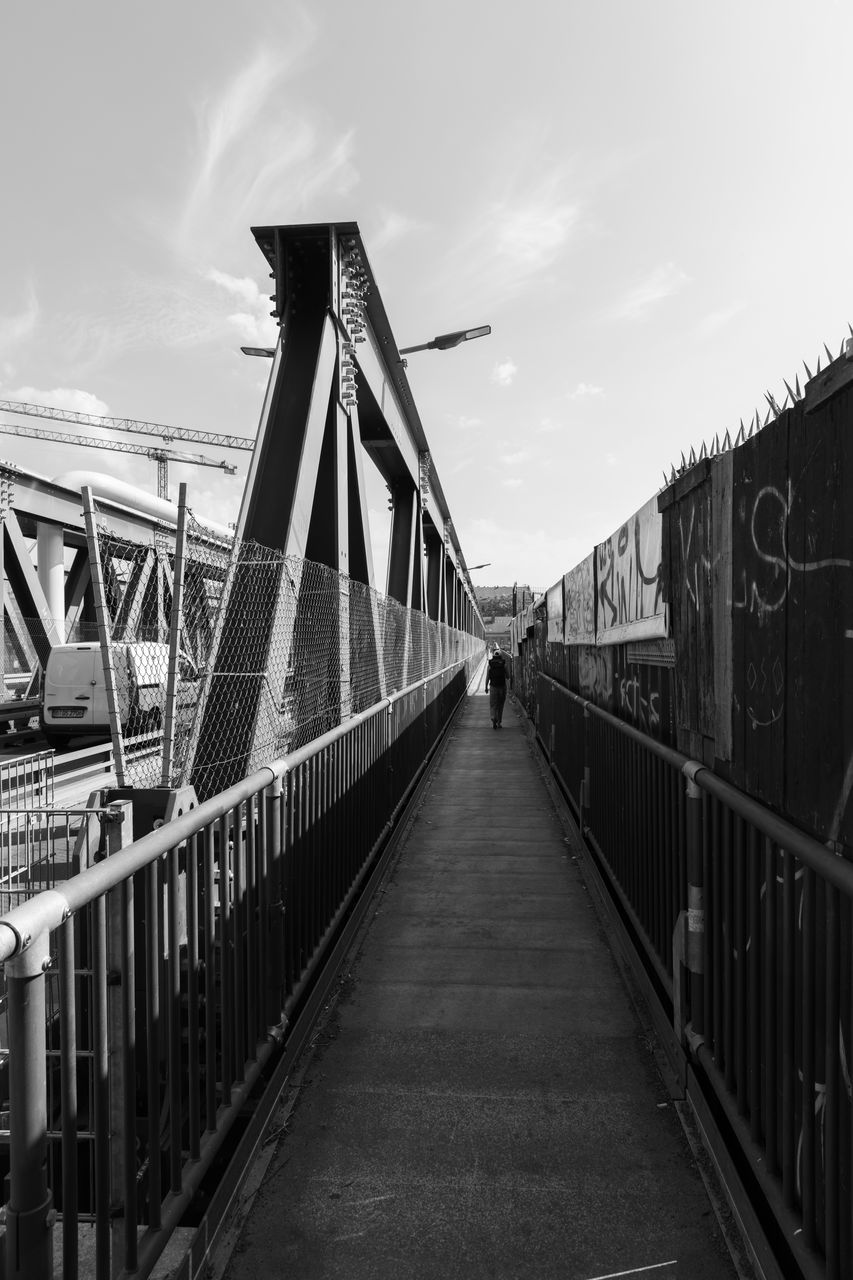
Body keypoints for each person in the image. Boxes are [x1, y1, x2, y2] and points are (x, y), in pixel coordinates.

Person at [484, 643, 511, 729]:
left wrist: (486, 687)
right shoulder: (504, 664)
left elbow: (487, 677)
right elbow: (508, 676)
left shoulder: (490, 665)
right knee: (500, 705)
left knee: (493, 704)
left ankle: (493, 718)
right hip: (502, 687)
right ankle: (499, 722)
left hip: (493, 687)